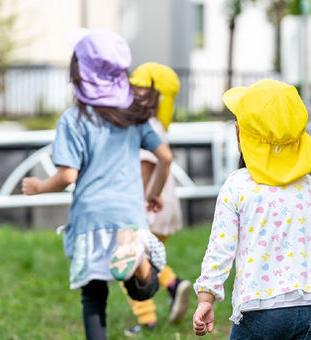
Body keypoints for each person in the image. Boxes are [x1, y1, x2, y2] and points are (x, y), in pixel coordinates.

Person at [21, 29, 172, 340]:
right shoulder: (134, 116)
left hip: (91, 217)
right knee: (143, 292)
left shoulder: (73, 119)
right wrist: (153, 193)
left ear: (79, 72)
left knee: (93, 297)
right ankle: (139, 261)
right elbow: (165, 157)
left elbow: (67, 176)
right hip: (128, 215)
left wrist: (38, 187)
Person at [192, 79, 311, 340]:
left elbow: (220, 248)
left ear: (239, 135)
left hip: (258, 309)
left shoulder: (237, 186)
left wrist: (206, 298)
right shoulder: (308, 187)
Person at [122, 62, 192, 337]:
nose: (131, 94)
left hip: (147, 208)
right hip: (164, 210)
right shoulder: (157, 125)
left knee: (127, 262)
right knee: (147, 260)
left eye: (138, 89)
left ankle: (146, 318)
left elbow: (144, 170)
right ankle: (174, 285)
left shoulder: (143, 127)